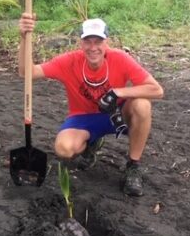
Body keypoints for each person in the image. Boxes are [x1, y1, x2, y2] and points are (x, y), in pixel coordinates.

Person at [18, 14, 164, 196]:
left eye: (98, 41)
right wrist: (24, 38)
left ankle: (133, 166)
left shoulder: (119, 58)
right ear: (81, 43)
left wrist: (119, 92)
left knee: (142, 105)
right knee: (64, 149)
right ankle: (91, 144)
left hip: (117, 115)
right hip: (84, 118)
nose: (93, 47)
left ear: (106, 43)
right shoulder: (69, 61)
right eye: (88, 41)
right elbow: (27, 73)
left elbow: (157, 90)